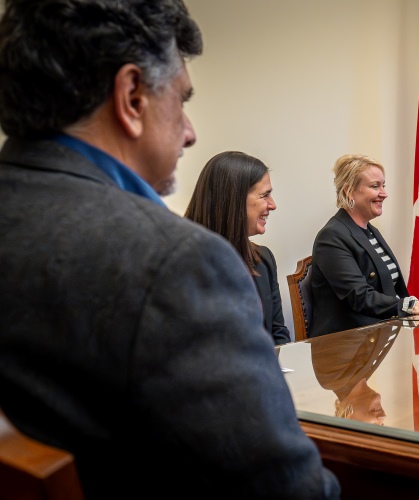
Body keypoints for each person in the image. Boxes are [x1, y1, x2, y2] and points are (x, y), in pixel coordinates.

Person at [0, 1, 339, 498]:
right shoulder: (176, 263)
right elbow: (289, 491)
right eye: (181, 100)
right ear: (132, 96)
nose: (190, 131)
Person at [311, 154, 419, 336]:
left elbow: (390, 290)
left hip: (381, 334)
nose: (384, 193)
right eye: (375, 186)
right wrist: (415, 306)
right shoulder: (332, 237)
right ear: (349, 191)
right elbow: (359, 297)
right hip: (347, 347)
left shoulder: (370, 231)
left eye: (383, 185)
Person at [184, 151, 291, 345]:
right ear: (234, 200)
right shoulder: (184, 264)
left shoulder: (264, 260)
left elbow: (278, 334)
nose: (273, 205)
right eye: (265, 195)